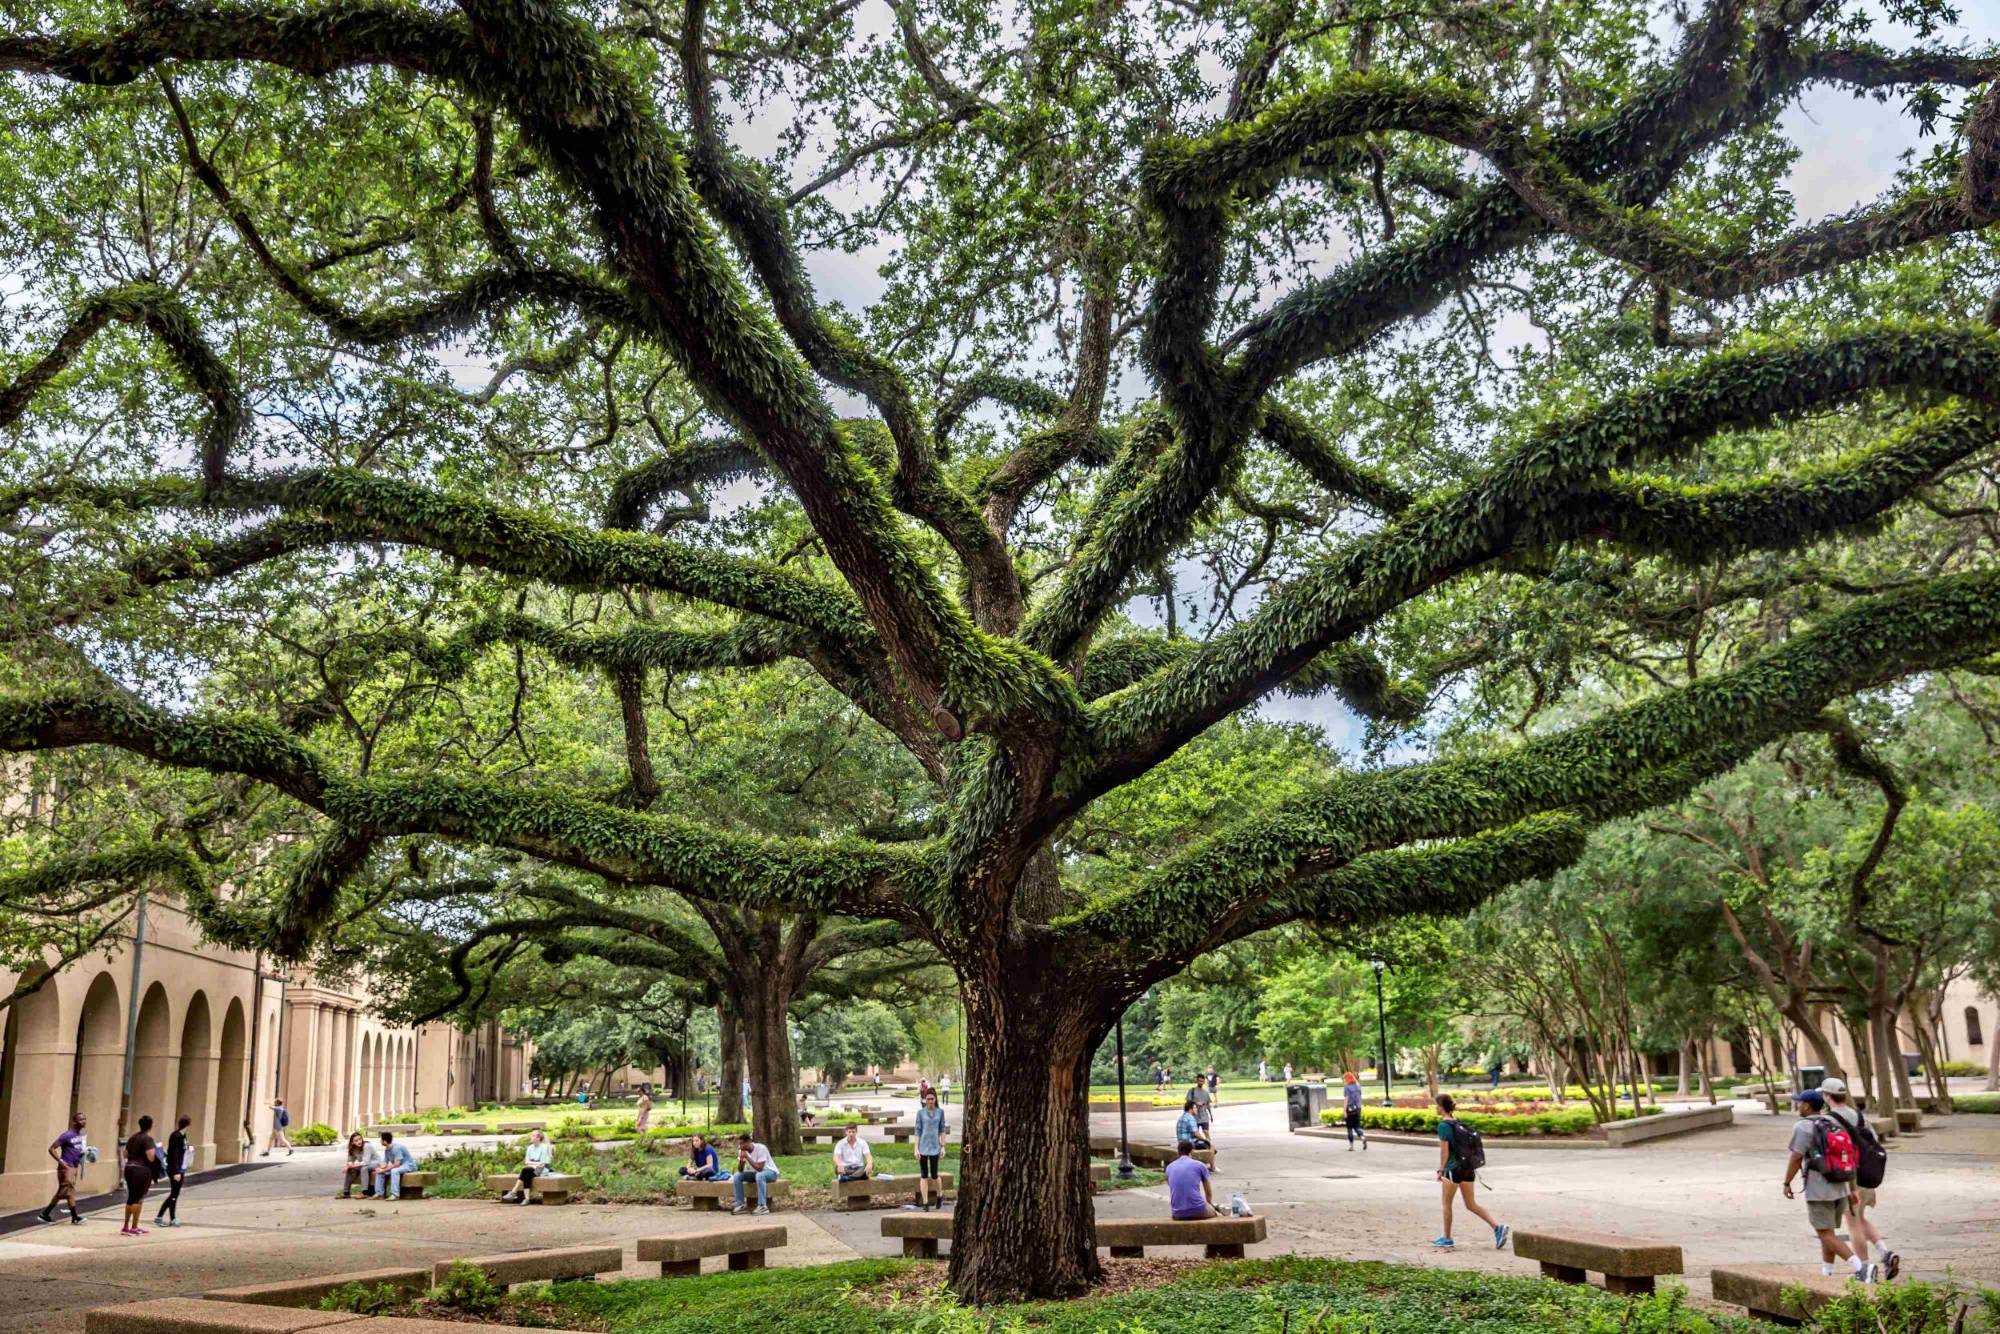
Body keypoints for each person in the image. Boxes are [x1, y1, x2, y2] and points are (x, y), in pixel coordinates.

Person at [1784, 1088, 1878, 1282]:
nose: (1797, 1105)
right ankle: (1826, 1272)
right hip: (1841, 1188)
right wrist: (1851, 1189)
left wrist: (1786, 1183)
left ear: (1807, 1106)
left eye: (1799, 1102)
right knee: (1829, 1232)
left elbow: (1796, 1157)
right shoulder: (1833, 1122)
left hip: (1819, 1190)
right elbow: (1850, 1156)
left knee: (1825, 1233)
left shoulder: (1802, 1127)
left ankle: (1861, 1269)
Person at [1819, 1078, 1900, 1279]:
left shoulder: (1830, 1119)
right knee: (1860, 1217)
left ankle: (1864, 1269)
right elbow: (1872, 1140)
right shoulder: (1858, 1116)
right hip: (1867, 1175)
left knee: (1853, 1223)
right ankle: (1885, 1253)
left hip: (1849, 1179)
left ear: (1827, 1096)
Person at [1434, 1094, 1507, 1250]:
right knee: (1471, 1204)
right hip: (1467, 1168)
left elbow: (1444, 1152)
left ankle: (1446, 1238)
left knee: (1446, 1204)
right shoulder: (1458, 1123)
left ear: (1441, 1107)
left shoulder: (1443, 1125)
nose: (1435, 1107)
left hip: (1453, 1169)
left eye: (1437, 1105)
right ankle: (1497, 1227)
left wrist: (1441, 1170)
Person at [38, 1112, 88, 1225]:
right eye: (81, 1119)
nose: (84, 1121)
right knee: (68, 1190)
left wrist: (84, 1154)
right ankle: (75, 1217)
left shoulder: (79, 1135)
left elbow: (76, 1151)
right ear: (74, 1121)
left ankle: (45, 1214)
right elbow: (52, 1148)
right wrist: (61, 1161)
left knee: (66, 1191)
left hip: (74, 1166)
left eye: (84, 1119)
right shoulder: (67, 1135)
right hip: (66, 1167)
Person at [120, 1114, 159, 1237]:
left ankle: (126, 1226)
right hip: (142, 1170)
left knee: (130, 1197)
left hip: (129, 1168)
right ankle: (134, 1227)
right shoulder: (148, 1139)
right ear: (151, 1126)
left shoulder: (132, 1138)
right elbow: (151, 1157)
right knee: (138, 1198)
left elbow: (125, 1154)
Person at [911, 1089, 947, 1211]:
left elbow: (942, 1130)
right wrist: (916, 1148)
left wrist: (943, 1147)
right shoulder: (920, 1113)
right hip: (923, 1148)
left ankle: (940, 1195)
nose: (930, 1101)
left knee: (935, 1174)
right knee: (924, 1175)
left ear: (935, 1099)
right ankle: (925, 1203)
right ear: (925, 1100)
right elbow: (917, 1131)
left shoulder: (940, 1112)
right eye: (928, 1099)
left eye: (932, 1099)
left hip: (935, 1148)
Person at [1166, 1138, 1219, 1220]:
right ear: (1192, 1151)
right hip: (1198, 1209)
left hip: (1177, 1212)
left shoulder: (1169, 1167)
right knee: (1215, 1213)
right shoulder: (1200, 1165)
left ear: (1178, 1151)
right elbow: (1208, 1193)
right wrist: (1210, 1205)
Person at [729, 1133, 779, 1215]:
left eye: (742, 1144)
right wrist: (742, 1160)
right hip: (756, 1173)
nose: (740, 1146)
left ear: (748, 1142)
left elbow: (760, 1168)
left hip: (770, 1173)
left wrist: (748, 1157)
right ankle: (740, 1204)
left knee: (760, 1175)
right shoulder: (742, 1151)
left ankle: (763, 1206)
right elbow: (740, 1170)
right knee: (737, 1175)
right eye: (739, 1144)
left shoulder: (761, 1148)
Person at [155, 1115, 191, 1227]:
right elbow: (174, 1154)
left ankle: (172, 1217)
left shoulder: (183, 1136)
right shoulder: (176, 1136)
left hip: (181, 1167)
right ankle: (160, 1216)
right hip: (175, 1169)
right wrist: (176, 1171)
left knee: (175, 1193)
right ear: (188, 1124)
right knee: (174, 1194)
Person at [503, 1129, 554, 1204]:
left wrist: (532, 1163)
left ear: (538, 1138)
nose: (531, 1137)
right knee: (526, 1173)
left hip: (542, 1170)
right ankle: (526, 1199)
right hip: (531, 1169)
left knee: (525, 1170)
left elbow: (542, 1164)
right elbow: (526, 1162)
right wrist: (535, 1163)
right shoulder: (530, 1148)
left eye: (533, 1136)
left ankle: (514, 1192)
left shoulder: (544, 1147)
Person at [371, 1131, 418, 1200]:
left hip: (409, 1165)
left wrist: (384, 1169)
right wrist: (379, 1168)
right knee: (380, 1173)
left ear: (385, 1141)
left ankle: (395, 1195)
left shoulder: (396, 1148)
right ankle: (379, 1194)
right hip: (400, 1166)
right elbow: (385, 1163)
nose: (380, 1141)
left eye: (381, 1140)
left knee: (394, 1171)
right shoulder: (387, 1149)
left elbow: (397, 1164)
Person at [339, 1132, 370, 1198]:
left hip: (372, 1163)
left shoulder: (367, 1146)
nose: (359, 1141)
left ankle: (365, 1193)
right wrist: (348, 1166)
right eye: (356, 1140)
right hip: (363, 1164)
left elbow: (366, 1162)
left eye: (360, 1139)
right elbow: (350, 1161)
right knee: (350, 1169)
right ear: (352, 1142)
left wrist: (352, 1165)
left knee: (363, 1168)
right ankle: (346, 1192)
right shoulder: (353, 1149)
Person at [1342, 1071, 1367, 1151]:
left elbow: (1346, 1099)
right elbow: (1360, 1097)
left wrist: (1344, 1111)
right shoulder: (1358, 1085)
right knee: (1357, 1127)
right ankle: (1362, 1137)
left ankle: (1352, 1147)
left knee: (1349, 1128)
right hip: (1358, 1108)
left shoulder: (1347, 1087)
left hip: (1349, 1109)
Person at [1188, 1074, 1214, 1145]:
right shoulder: (1192, 1091)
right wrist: (1196, 1103)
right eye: (1199, 1081)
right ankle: (1197, 1147)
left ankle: (1210, 1146)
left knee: (1206, 1132)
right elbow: (1188, 1101)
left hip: (1204, 1116)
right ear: (1196, 1080)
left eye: (1202, 1081)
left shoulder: (1205, 1092)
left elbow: (1208, 1104)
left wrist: (1211, 1115)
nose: (1201, 1083)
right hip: (1194, 1116)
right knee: (1195, 1134)